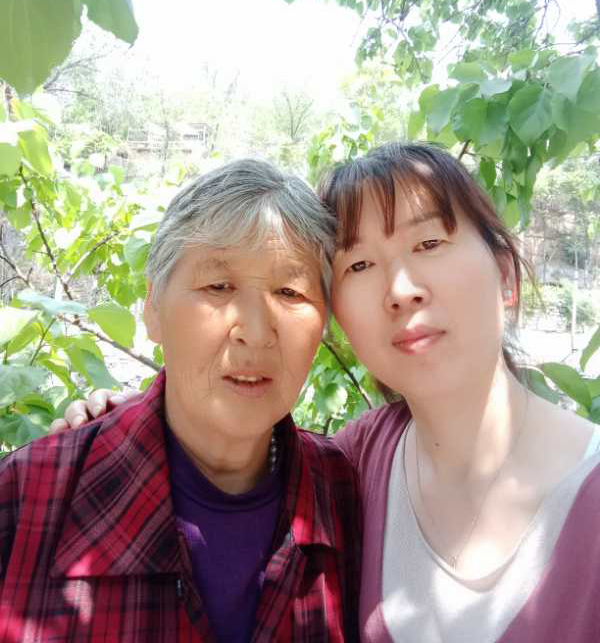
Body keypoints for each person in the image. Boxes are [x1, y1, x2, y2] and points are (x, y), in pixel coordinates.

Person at [54, 143, 600, 642]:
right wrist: (123, 424)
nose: (401, 290)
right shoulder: (356, 464)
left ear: (505, 274)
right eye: (359, 264)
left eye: (430, 242)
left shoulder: (585, 493)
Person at [0, 159, 361, 643]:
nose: (256, 332)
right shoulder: (30, 496)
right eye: (219, 286)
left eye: (290, 292)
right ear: (152, 307)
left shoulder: (345, 494)